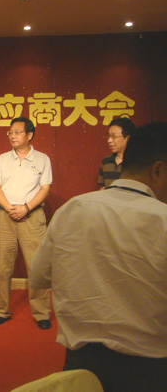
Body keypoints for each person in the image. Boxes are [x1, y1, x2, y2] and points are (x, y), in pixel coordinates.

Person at [30, 122, 167, 392]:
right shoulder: (162, 219)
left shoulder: (73, 208)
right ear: (158, 170)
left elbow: (38, 276)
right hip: (150, 368)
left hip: (81, 363)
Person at [0, 117, 52, 329]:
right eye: (10, 132)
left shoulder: (42, 159)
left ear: (30, 135)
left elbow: (44, 188)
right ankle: (1, 310)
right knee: (2, 267)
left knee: (36, 267)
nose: (12, 136)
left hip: (32, 217)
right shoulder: (2, 159)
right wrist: (9, 207)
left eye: (17, 132)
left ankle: (41, 313)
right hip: (5, 216)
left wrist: (26, 207)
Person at [97, 117, 136, 189]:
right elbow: (103, 187)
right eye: (108, 136)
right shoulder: (106, 161)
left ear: (128, 139)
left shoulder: (137, 163)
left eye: (114, 136)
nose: (109, 140)